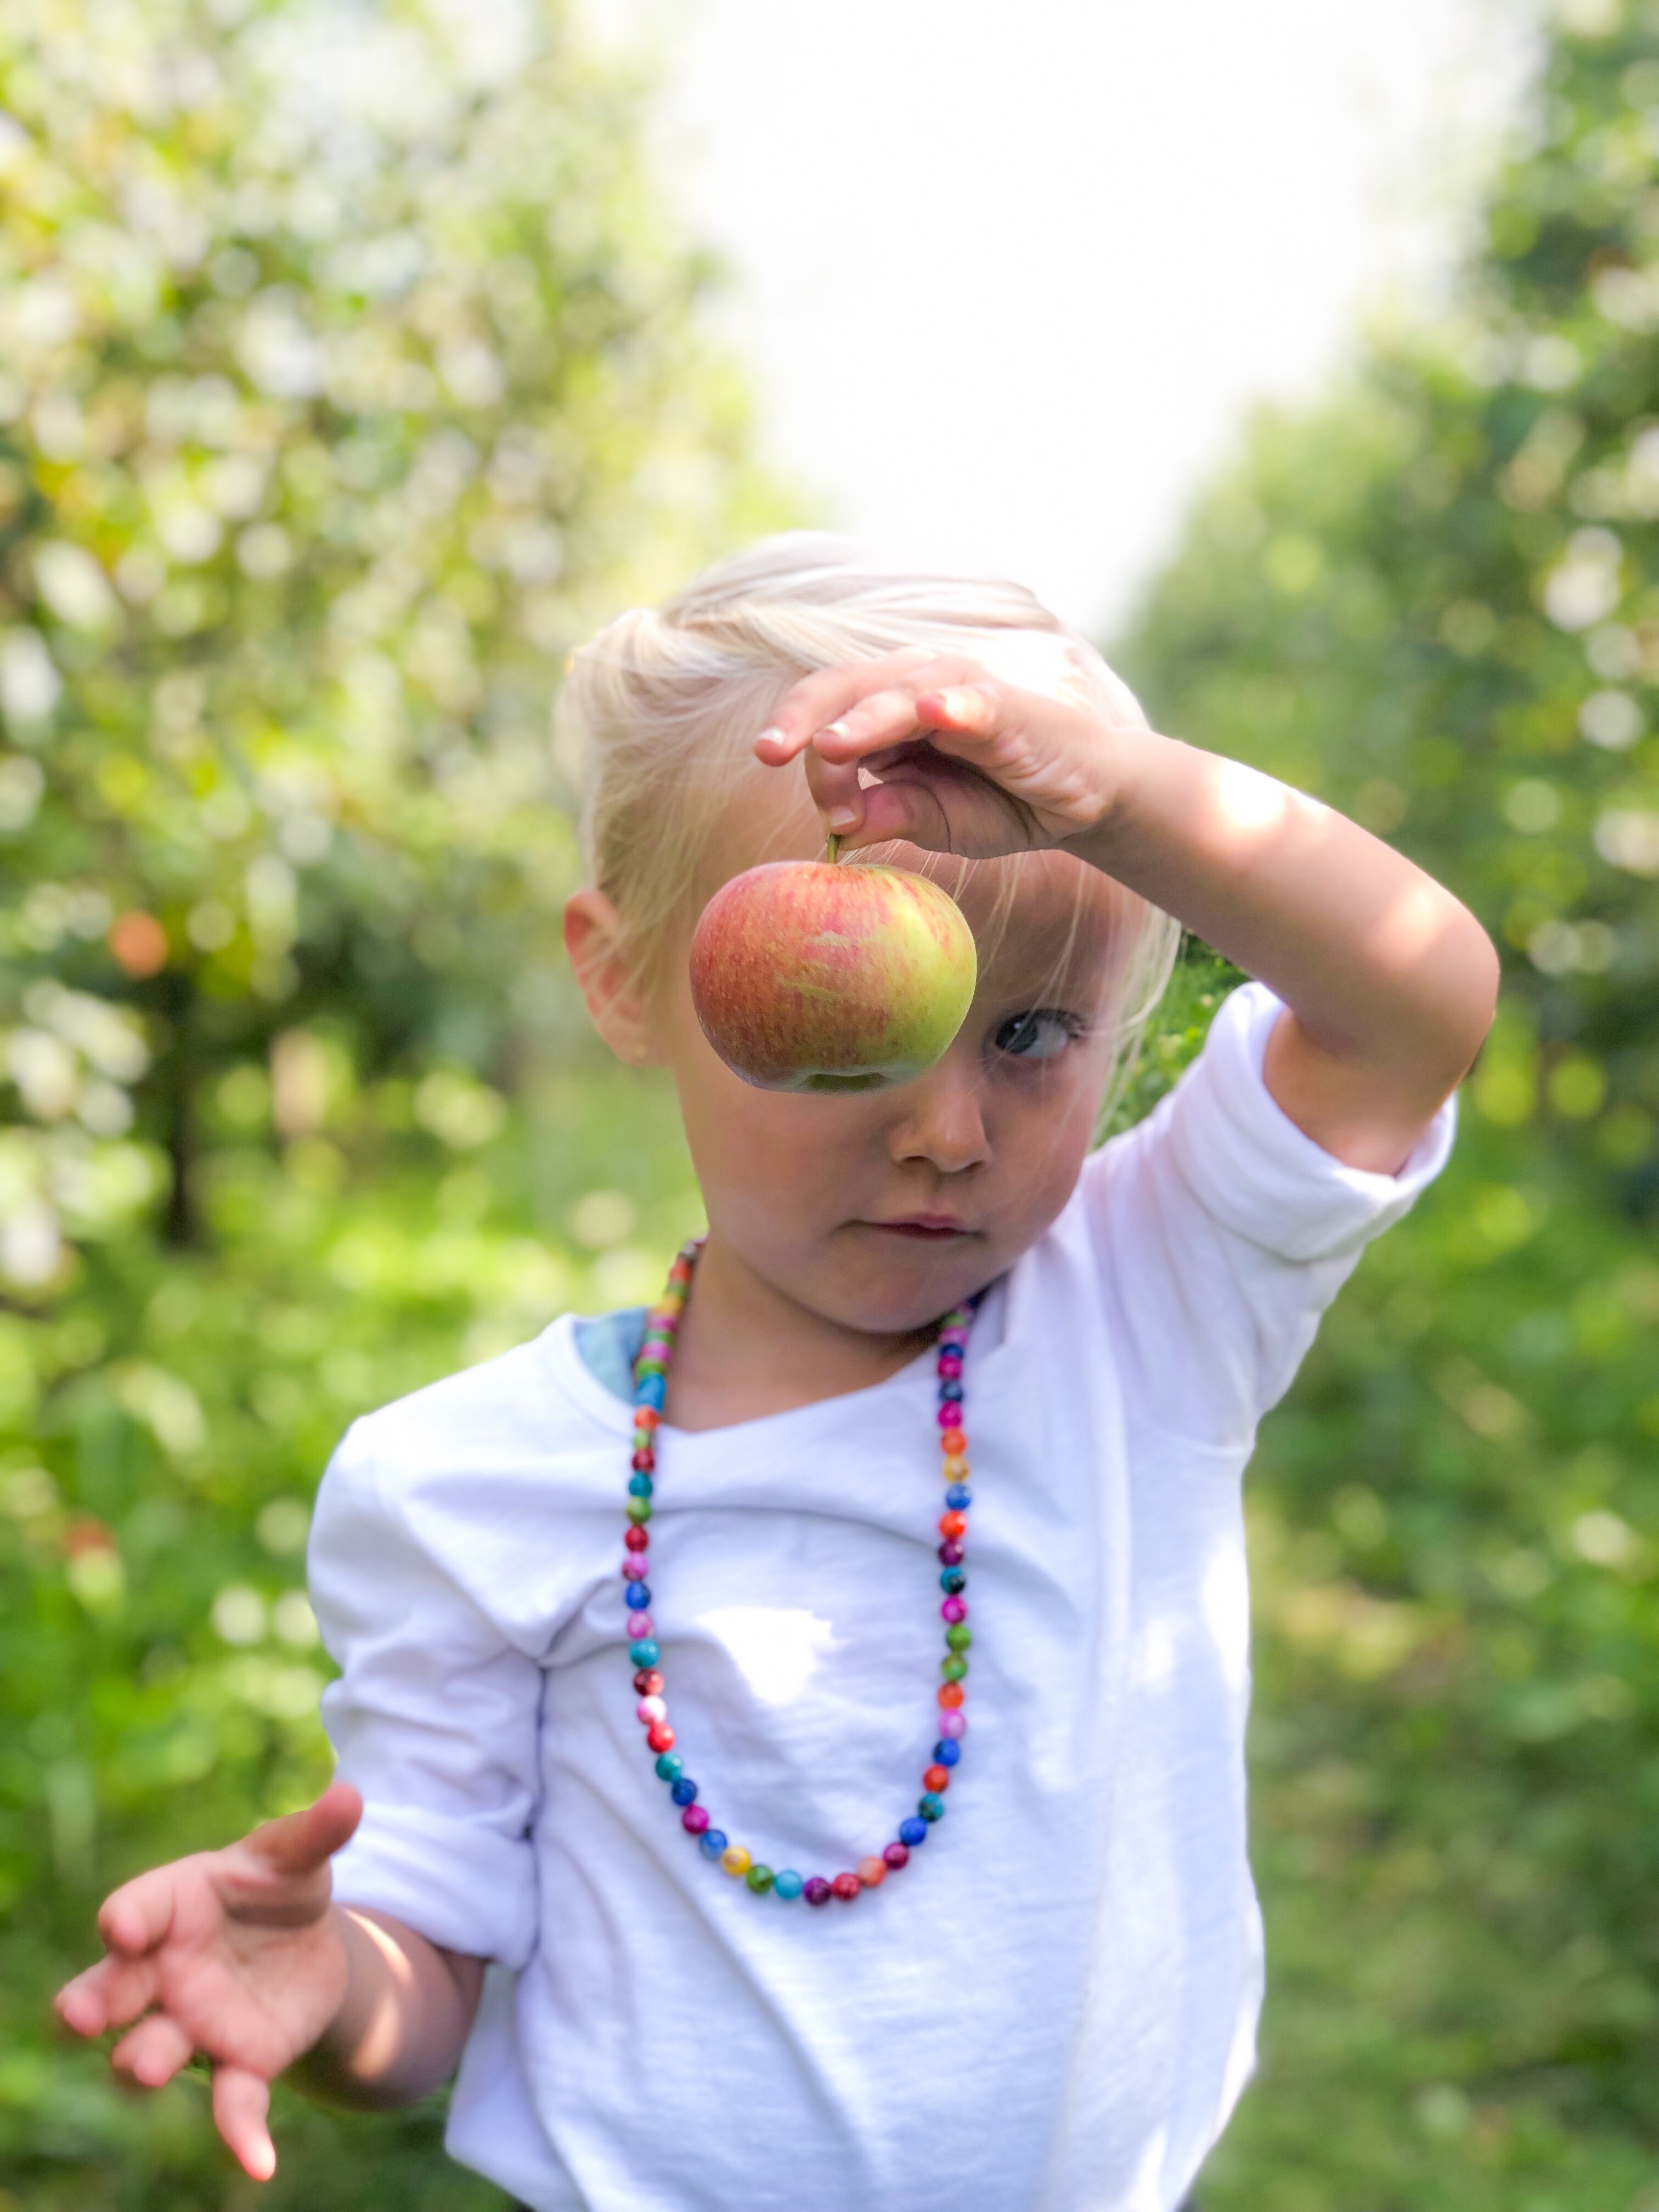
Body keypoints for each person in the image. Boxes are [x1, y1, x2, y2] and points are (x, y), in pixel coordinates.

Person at [54, 537, 1498, 2211]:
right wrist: (331, 1989)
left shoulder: (1143, 1311)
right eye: (842, 1029)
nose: (948, 1133)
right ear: (619, 975)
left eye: (1032, 1037)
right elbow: (429, 1966)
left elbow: (1419, 1000)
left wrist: (1126, 804)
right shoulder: (465, 1489)